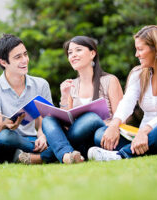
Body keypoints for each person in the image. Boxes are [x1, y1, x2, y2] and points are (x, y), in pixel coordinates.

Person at [88, 25, 157, 161]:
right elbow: (127, 102)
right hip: (142, 137)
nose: (136, 54)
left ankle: (122, 155)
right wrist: (115, 124)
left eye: (140, 49)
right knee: (101, 134)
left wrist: (145, 131)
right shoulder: (138, 73)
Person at [40, 36, 123, 164]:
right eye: (70, 53)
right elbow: (67, 123)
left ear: (92, 53)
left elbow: (122, 116)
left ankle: (44, 156)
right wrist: (64, 95)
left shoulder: (110, 80)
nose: (73, 55)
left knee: (91, 118)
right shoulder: (71, 85)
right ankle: (67, 155)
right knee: (48, 120)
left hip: (102, 135)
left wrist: (111, 126)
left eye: (78, 50)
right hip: (79, 141)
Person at [0, 34, 56, 164]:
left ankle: (28, 156)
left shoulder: (41, 84)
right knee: (5, 137)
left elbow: (46, 121)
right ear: (3, 62)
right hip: (8, 140)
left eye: (25, 54)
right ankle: (41, 154)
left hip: (32, 138)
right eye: (18, 57)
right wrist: (5, 124)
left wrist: (42, 135)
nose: (25, 60)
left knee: (58, 135)